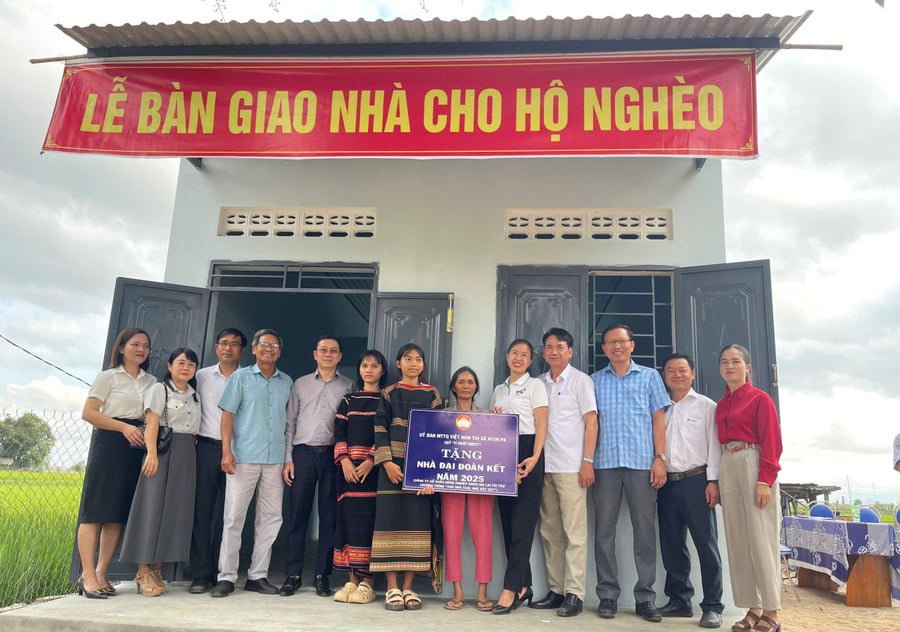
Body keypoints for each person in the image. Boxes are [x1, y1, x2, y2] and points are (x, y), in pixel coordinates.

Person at [590, 323, 670, 623]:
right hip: (605, 464)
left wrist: (659, 458)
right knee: (603, 533)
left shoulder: (649, 377)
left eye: (622, 341)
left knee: (645, 533)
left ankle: (645, 597)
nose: (617, 347)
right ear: (604, 349)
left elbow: (658, 420)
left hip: (642, 464)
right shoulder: (595, 381)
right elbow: (589, 423)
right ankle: (607, 595)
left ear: (632, 345)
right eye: (611, 342)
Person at [211, 329, 293, 598]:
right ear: (255, 350)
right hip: (242, 458)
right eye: (264, 344)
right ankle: (227, 576)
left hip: (274, 460)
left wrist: (287, 459)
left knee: (271, 518)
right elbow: (227, 416)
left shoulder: (286, 382)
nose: (269, 348)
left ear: (280, 352)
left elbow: (289, 422)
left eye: (274, 345)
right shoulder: (241, 377)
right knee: (234, 517)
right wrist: (226, 451)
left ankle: (258, 576)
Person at [75, 328, 157, 599]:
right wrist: (122, 427)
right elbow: (89, 413)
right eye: (135, 344)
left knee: (116, 514)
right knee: (95, 511)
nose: (141, 349)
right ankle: (86, 575)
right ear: (121, 348)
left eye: (145, 345)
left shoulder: (151, 381)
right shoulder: (107, 377)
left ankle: (101, 573)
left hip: (136, 446)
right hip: (110, 442)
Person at [120, 348, 202, 596]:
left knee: (176, 510)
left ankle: (157, 568)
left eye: (191, 364)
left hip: (187, 453)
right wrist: (152, 453)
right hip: (163, 451)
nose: (185, 367)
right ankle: (143, 569)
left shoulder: (194, 394)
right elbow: (152, 421)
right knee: (151, 507)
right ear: (169, 366)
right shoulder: (159, 389)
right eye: (180, 362)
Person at [369, 343, 443, 612]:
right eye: (408, 359)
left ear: (423, 365)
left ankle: (409, 586)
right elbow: (379, 427)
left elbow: (438, 435)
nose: (414, 363)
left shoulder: (433, 394)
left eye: (418, 359)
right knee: (389, 523)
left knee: (416, 523)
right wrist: (386, 462)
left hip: (420, 472)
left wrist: (427, 475)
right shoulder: (389, 393)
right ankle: (391, 586)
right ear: (398, 364)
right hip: (391, 468)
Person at [530, 327, 598, 617]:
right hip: (544, 466)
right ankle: (556, 590)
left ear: (570, 351)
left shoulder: (581, 381)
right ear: (543, 353)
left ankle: (575, 594)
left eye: (559, 346)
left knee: (575, 533)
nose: (553, 351)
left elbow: (591, 423)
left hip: (572, 467)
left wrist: (587, 461)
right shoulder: (537, 383)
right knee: (550, 532)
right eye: (548, 347)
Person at [716, 344, 783, 632]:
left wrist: (764, 479)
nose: (730, 366)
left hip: (753, 462)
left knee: (761, 538)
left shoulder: (760, 399)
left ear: (748, 366)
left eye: (735, 361)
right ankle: (751, 607)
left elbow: (772, 442)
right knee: (738, 540)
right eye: (724, 362)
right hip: (728, 463)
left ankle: (772, 610)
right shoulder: (722, 404)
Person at [281, 335, 353, 598]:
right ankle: (293, 574)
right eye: (323, 350)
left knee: (328, 518)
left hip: (332, 457)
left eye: (333, 351)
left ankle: (323, 575)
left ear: (340, 356)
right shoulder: (299, 384)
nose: (328, 354)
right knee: (298, 516)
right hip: (302, 455)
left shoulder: (348, 385)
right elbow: (290, 422)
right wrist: (288, 459)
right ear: (315, 354)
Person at [657, 353, 724, 629]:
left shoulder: (707, 407)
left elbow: (715, 447)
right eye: (671, 370)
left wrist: (714, 481)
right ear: (664, 375)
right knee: (672, 545)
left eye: (682, 370)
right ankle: (680, 600)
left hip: (697, 481)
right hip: (666, 483)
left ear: (692, 374)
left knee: (706, 545)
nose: (677, 375)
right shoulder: (660, 407)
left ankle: (712, 606)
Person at [489, 339, 548, 615]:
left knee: (524, 523)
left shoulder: (536, 386)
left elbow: (541, 424)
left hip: (528, 452)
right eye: (515, 353)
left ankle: (510, 589)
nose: (519, 358)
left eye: (525, 354)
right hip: (503, 452)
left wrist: (534, 458)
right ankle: (524, 585)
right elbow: (492, 425)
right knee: (509, 524)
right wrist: (496, 414)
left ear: (530, 361)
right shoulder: (499, 389)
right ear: (507, 355)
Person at [189, 328, 246, 594]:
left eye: (234, 344)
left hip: (240, 452)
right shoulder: (200, 377)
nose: (228, 348)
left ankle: (223, 572)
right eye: (224, 343)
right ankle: (201, 574)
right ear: (216, 347)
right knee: (203, 512)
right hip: (207, 448)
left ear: (242, 351)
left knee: (230, 514)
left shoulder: (249, 377)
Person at [331, 349, 388, 606]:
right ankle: (352, 579)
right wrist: (344, 460)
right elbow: (339, 431)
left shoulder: (386, 400)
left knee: (370, 524)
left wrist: (370, 460)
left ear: (383, 370)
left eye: (374, 366)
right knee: (348, 521)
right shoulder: (348, 400)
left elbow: (386, 433)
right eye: (364, 365)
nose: (369, 370)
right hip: (347, 472)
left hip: (374, 473)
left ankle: (369, 582)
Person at [441, 366, 493, 612]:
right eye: (460, 381)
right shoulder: (441, 417)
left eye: (470, 382)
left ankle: (483, 591)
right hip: (450, 482)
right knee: (451, 534)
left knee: (483, 536)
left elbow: (497, 450)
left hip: (480, 483)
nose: (465, 385)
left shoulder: (488, 417)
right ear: (453, 387)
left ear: (476, 387)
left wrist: (500, 420)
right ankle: (457, 590)